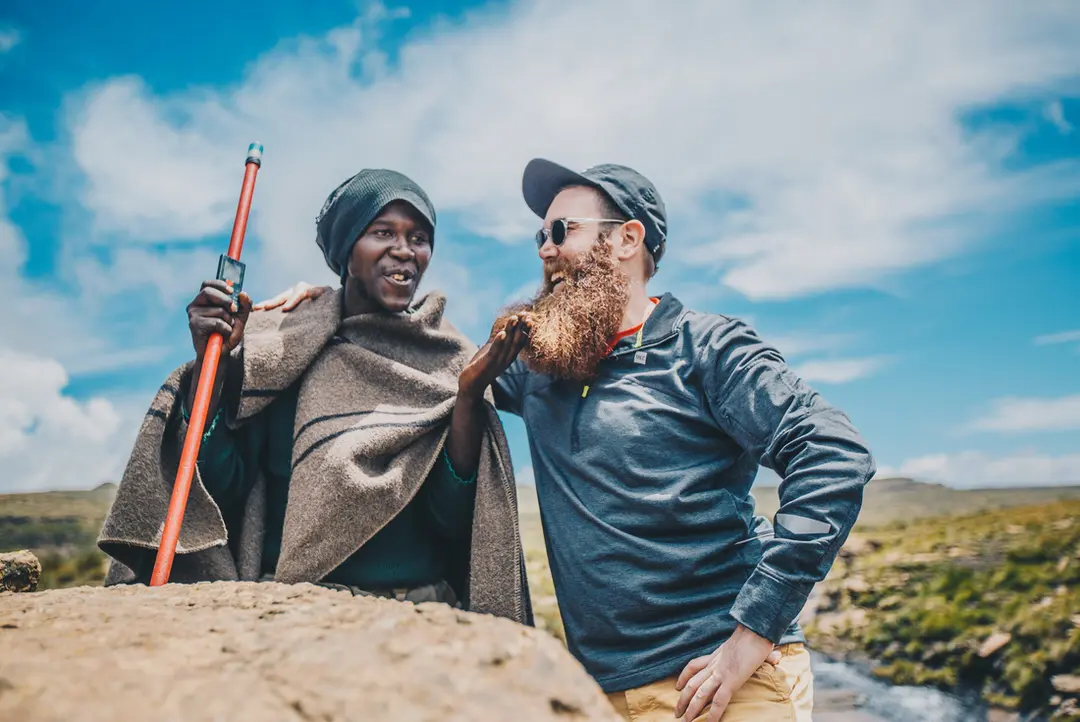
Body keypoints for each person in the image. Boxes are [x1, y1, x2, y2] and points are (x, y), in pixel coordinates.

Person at [262, 159, 876, 722]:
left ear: (628, 239)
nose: (547, 251)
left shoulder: (707, 349)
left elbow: (832, 454)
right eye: (541, 238)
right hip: (601, 691)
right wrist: (327, 303)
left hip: (721, 682)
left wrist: (753, 635)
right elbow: (425, 363)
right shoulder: (540, 368)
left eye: (564, 231)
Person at [98, 169, 531, 626]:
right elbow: (221, 488)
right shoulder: (282, 349)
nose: (405, 250)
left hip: (421, 614)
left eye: (419, 237)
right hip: (294, 617)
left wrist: (467, 398)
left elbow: (453, 520)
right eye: (383, 232)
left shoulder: (450, 358)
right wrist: (218, 365)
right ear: (347, 250)